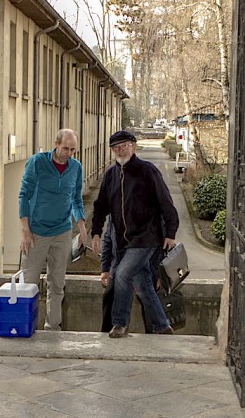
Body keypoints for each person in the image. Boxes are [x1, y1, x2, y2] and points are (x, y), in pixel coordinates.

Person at [90, 130, 179, 338]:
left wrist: (171, 232)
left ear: (133, 146)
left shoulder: (148, 171)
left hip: (147, 238)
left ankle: (119, 323)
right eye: (116, 148)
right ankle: (162, 326)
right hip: (123, 242)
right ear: (112, 151)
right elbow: (100, 206)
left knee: (121, 274)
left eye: (124, 145)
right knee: (143, 284)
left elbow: (166, 203)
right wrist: (95, 232)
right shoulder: (111, 175)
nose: (120, 150)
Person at [19, 129, 88, 331]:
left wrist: (82, 227)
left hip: (62, 231)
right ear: (55, 144)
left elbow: (76, 198)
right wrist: (25, 229)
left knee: (57, 283)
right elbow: (24, 194)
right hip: (36, 232)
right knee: (29, 283)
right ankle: (25, 326)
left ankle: (53, 327)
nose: (68, 153)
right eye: (65, 148)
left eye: (73, 150)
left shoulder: (76, 167)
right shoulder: (37, 162)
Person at [100, 216, 167, 334]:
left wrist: (158, 274)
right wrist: (105, 268)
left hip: (144, 268)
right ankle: (111, 336)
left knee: (148, 307)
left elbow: (161, 243)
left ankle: (158, 335)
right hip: (118, 268)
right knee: (109, 303)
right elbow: (108, 238)